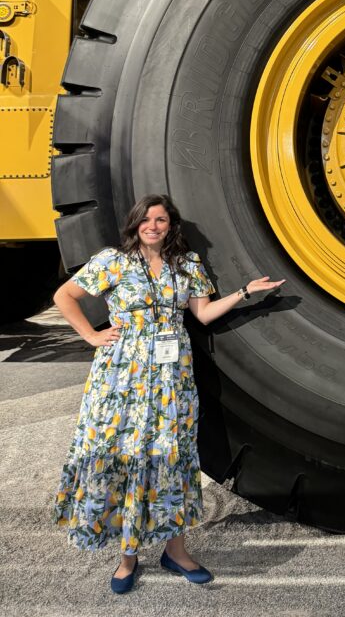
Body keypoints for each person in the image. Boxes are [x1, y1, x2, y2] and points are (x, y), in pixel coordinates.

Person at [52, 193, 284, 593]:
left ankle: (176, 551)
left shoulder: (187, 265)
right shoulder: (114, 261)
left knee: (172, 459)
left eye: (161, 219)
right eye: (146, 219)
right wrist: (91, 335)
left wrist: (245, 292)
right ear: (135, 224)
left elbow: (203, 313)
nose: (153, 226)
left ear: (171, 225)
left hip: (172, 380)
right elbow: (64, 297)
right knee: (126, 457)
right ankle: (127, 559)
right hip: (121, 379)